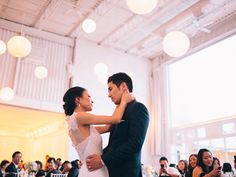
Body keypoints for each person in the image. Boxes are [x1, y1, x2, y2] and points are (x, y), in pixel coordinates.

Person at [85, 72, 150, 177]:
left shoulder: (139, 108)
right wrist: (97, 157)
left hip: (127, 173)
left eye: (110, 89)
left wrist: (103, 159)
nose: (109, 94)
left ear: (123, 86)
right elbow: (114, 144)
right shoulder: (120, 112)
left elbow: (135, 143)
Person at [63, 83, 134, 177]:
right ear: (78, 100)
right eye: (88, 96)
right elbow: (116, 119)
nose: (92, 101)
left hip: (90, 168)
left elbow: (107, 127)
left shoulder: (77, 123)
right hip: (93, 171)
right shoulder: (80, 116)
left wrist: (118, 104)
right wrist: (124, 101)